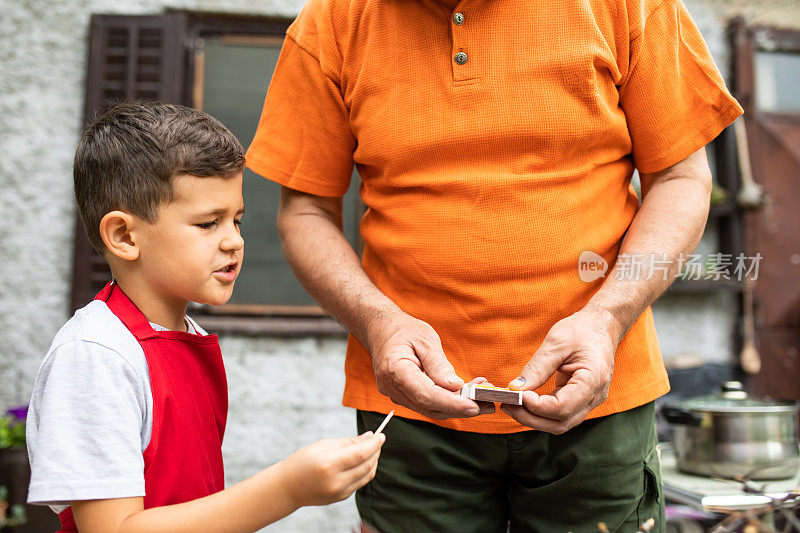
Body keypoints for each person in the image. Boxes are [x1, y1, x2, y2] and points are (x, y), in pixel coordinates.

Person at [246, 0, 744, 530]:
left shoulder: (629, 7)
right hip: (413, 410)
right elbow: (305, 212)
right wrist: (379, 324)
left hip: (599, 397)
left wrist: (607, 319)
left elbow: (681, 180)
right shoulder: (332, 22)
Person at [25, 102, 385, 533]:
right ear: (124, 236)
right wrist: (288, 489)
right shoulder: (96, 356)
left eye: (237, 220)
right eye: (208, 223)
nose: (234, 241)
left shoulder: (187, 336)